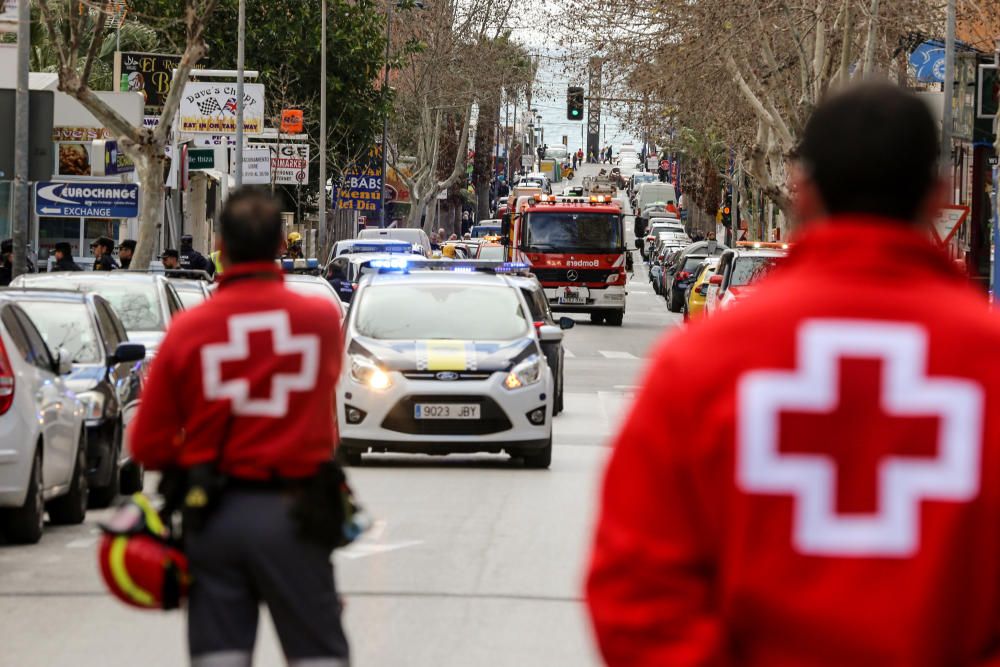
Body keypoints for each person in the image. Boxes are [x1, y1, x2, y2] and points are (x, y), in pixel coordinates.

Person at [587, 82, 1000, 665]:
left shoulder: (703, 366)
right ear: (938, 197)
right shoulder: (987, 364)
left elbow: (636, 592)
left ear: (801, 192)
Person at [129, 189, 349, 666]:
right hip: (300, 516)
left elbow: (146, 443)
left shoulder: (190, 329)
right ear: (280, 246)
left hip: (217, 518)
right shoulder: (320, 321)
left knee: (220, 658)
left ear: (221, 248)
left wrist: (193, 452)